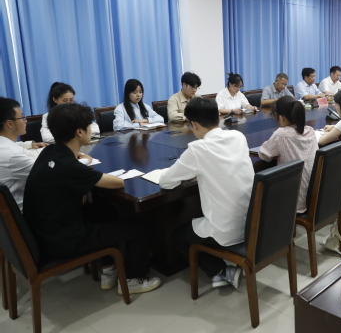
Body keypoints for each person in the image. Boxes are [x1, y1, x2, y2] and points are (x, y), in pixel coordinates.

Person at [23, 103, 161, 294]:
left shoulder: (50, 152)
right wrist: (82, 165)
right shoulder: (68, 166)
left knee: (102, 209)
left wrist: (82, 160)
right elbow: (116, 182)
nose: (91, 129)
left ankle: (108, 269)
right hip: (64, 241)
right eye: (89, 125)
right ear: (79, 132)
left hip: (43, 233)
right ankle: (132, 280)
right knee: (139, 229)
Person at [159, 97, 254, 288]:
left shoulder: (198, 149)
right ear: (218, 118)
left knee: (177, 235)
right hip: (252, 223)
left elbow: (166, 182)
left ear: (194, 124)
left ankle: (220, 271)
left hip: (226, 230)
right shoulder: (238, 137)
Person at [258, 97, 318, 212]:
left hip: (293, 202)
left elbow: (264, 155)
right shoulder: (310, 131)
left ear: (281, 118)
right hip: (314, 198)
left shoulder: (281, 134)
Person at [0, 97, 48, 208]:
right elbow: (50, 173)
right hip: (27, 212)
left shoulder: (6, 146)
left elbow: (26, 153)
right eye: (22, 117)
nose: (25, 120)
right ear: (9, 124)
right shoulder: (12, 155)